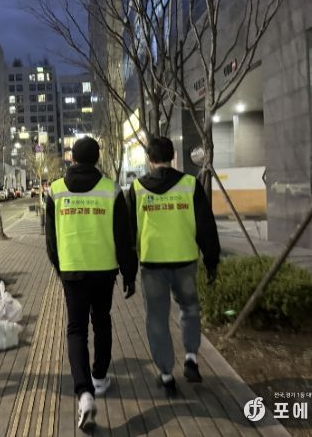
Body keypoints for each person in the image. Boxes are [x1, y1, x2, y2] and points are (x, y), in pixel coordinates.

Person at [45, 136, 137, 431]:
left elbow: (50, 239)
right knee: (102, 321)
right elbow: (123, 237)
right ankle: (99, 377)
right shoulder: (111, 189)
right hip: (104, 270)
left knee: (76, 329)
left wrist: (60, 267)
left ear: (72, 158)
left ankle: (84, 394)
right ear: (97, 158)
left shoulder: (56, 190)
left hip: (72, 270)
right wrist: (129, 273)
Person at [127, 136, 220, 398]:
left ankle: (167, 376)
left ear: (149, 159)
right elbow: (206, 226)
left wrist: (129, 271)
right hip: (185, 261)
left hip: (152, 264)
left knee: (157, 319)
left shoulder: (137, 188)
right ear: (172, 157)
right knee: (190, 308)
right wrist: (212, 259)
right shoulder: (190, 184)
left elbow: (129, 233)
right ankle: (191, 358)